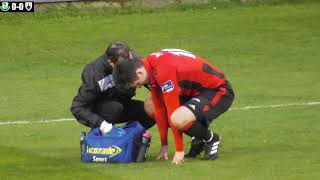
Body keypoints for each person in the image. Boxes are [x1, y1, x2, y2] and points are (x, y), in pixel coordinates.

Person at [113, 48, 234, 165]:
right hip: (197, 92)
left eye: (138, 83)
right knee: (154, 106)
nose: (139, 87)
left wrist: (179, 150)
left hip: (218, 91)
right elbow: (159, 108)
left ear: (139, 72)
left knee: (176, 118)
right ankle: (198, 136)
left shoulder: (162, 70)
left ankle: (211, 139)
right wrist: (164, 145)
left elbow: (172, 110)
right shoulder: (150, 65)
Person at [70, 41, 155, 135]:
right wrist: (102, 125)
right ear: (111, 63)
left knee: (153, 108)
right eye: (122, 66)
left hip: (123, 103)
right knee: (114, 108)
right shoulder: (95, 73)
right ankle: (101, 138)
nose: (128, 69)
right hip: (101, 109)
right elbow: (77, 107)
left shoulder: (135, 62)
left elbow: (154, 84)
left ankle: (127, 137)